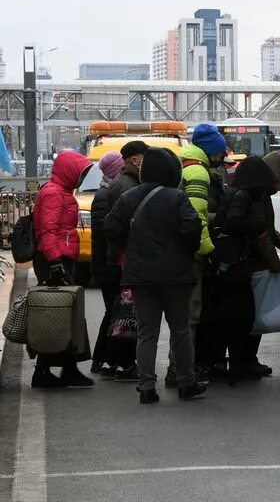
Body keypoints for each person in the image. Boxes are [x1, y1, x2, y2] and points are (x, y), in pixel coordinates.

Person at [105, 147, 206, 404]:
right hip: (176, 276)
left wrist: (130, 247)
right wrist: (184, 251)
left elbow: (111, 226)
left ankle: (147, 387)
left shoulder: (129, 198)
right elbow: (192, 228)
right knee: (180, 330)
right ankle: (186, 382)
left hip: (140, 276)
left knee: (147, 332)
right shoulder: (177, 198)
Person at [167, 123, 228, 388]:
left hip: (174, 251)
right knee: (190, 316)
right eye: (220, 152)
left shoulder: (182, 165)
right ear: (212, 151)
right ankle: (182, 372)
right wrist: (208, 251)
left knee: (180, 315)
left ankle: (177, 369)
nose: (222, 157)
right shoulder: (198, 172)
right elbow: (196, 217)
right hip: (190, 254)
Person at [30, 149, 94, 389]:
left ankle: (66, 368)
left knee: (66, 314)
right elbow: (48, 231)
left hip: (59, 258)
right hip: (54, 260)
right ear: (69, 172)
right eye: (80, 173)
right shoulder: (54, 194)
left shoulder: (61, 192)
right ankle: (45, 371)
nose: (82, 178)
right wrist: (55, 263)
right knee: (56, 314)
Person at [213, 156, 280, 380]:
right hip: (240, 266)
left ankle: (243, 361)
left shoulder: (241, 193)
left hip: (236, 265)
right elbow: (233, 223)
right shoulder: (243, 196)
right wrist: (258, 226)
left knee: (241, 316)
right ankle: (243, 363)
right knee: (245, 316)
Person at [102, 140, 149, 383]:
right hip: (126, 260)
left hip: (123, 258)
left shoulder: (125, 182)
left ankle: (114, 362)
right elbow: (124, 225)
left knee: (123, 312)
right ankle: (124, 364)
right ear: (135, 159)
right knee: (128, 314)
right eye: (145, 157)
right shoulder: (127, 187)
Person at [90, 152, 129, 378]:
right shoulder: (106, 195)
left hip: (107, 263)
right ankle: (103, 359)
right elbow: (105, 229)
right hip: (108, 265)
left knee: (113, 311)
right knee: (113, 312)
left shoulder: (106, 192)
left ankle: (103, 358)